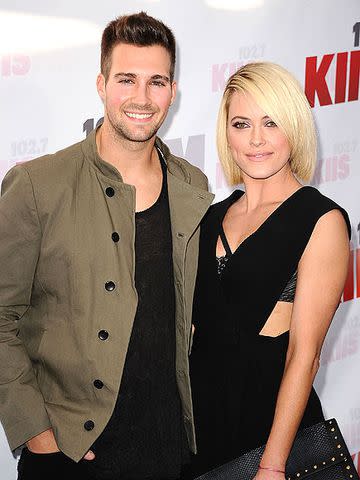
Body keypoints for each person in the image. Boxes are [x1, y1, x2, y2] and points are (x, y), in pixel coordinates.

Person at [0, 11, 214, 480]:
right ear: (101, 84)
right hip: (70, 456)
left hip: (168, 451)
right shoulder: (39, 186)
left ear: (173, 93)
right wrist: (38, 433)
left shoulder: (191, 185)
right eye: (126, 79)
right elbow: (1, 318)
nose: (141, 98)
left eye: (157, 81)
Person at [187, 62, 350, 479]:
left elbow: (304, 355)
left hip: (274, 438)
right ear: (226, 132)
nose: (256, 139)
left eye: (270, 122)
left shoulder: (321, 219)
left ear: (293, 128)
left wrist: (273, 466)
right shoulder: (208, 219)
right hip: (202, 437)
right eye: (241, 124)